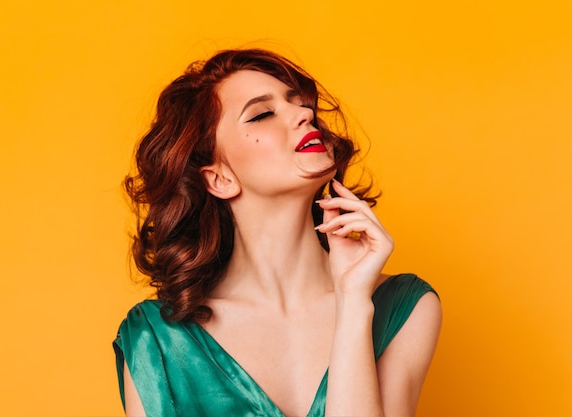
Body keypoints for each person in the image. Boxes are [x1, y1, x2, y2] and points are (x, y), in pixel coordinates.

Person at [113, 48, 442, 417]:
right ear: (219, 178)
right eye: (263, 114)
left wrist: (352, 304)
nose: (305, 114)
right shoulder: (157, 342)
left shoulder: (404, 306)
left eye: (300, 104)